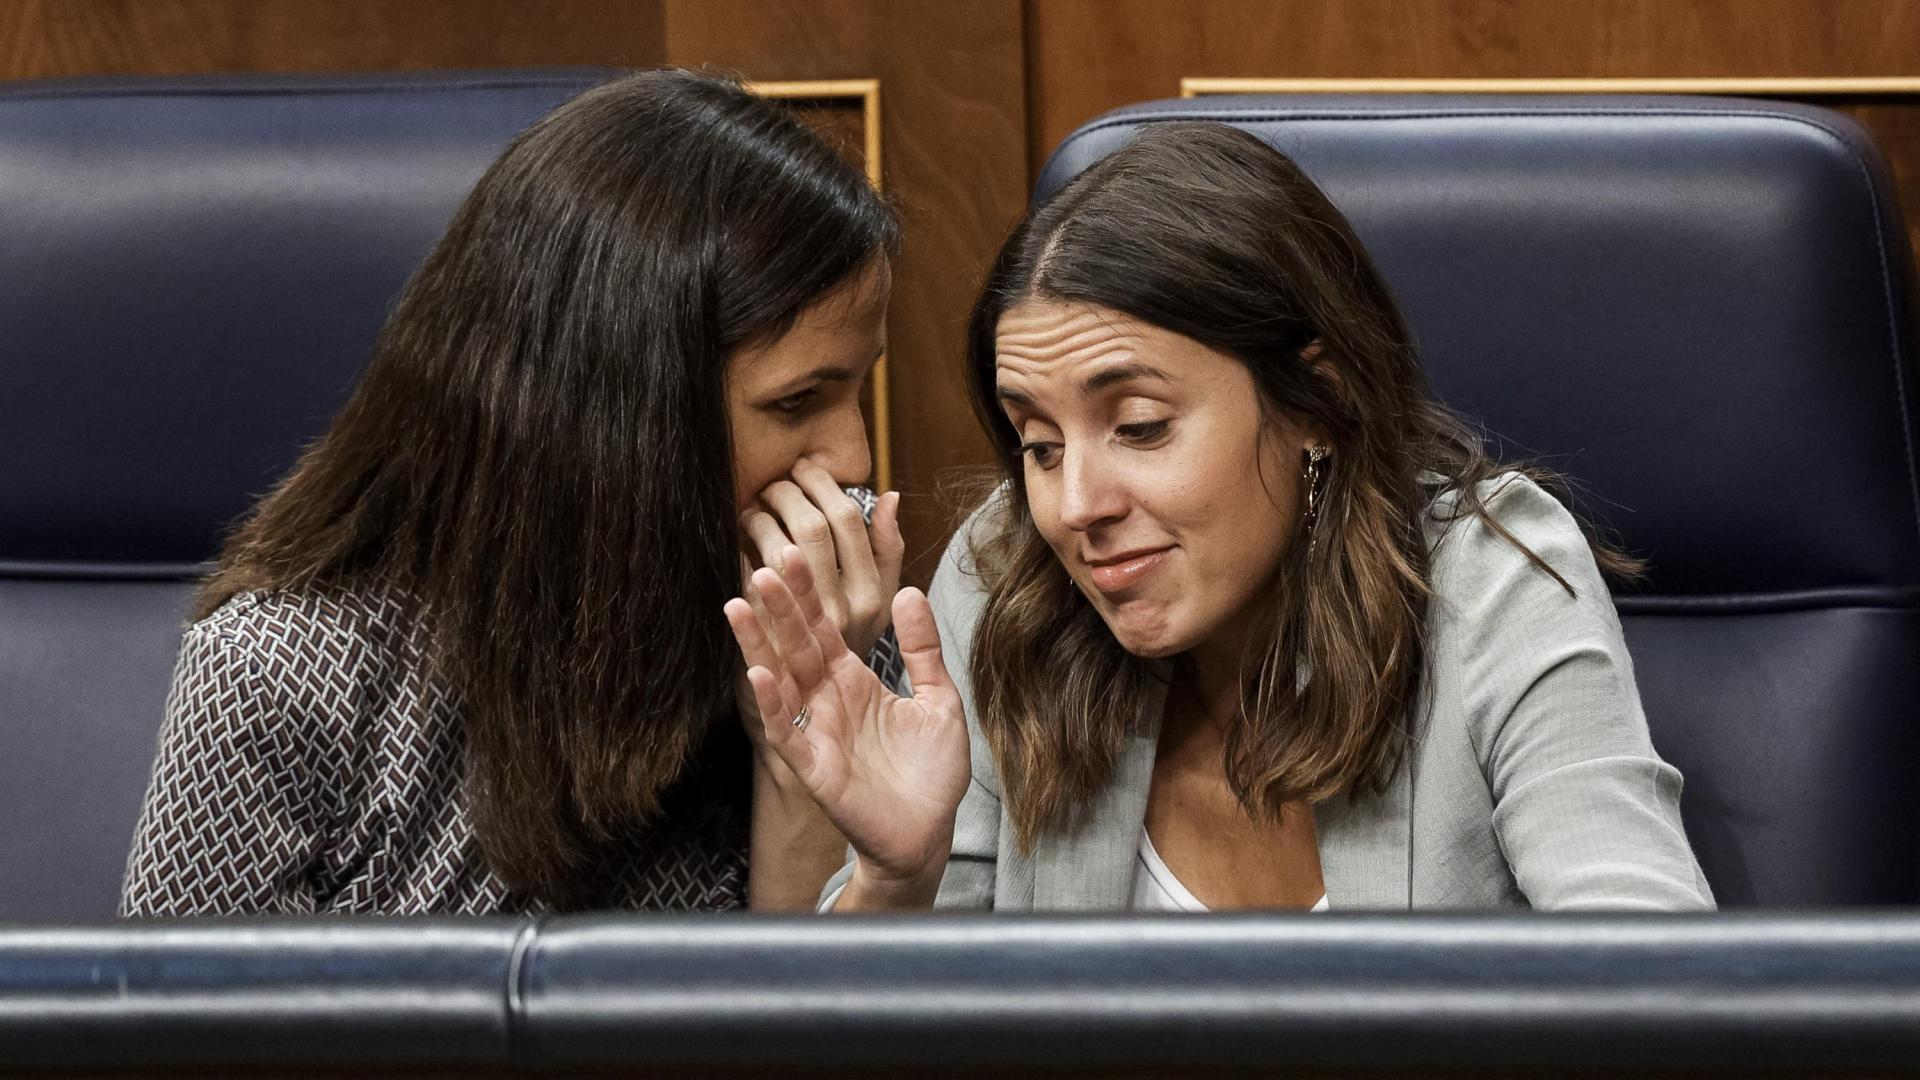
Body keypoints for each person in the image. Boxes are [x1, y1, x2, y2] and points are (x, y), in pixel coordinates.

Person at [729, 122, 1715, 912]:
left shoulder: (1489, 581)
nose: (1075, 508)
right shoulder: (1005, 583)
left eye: (1143, 427)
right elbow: (882, 1044)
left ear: (1315, 406)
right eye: (1040, 445)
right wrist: (894, 881)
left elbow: (1656, 993)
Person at [121, 69, 905, 916]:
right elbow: (183, 1046)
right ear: (616, 412)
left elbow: (797, 1038)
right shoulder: (279, 678)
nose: (855, 460)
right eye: (797, 401)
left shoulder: (839, 628)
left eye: (858, 390)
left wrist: (799, 756)